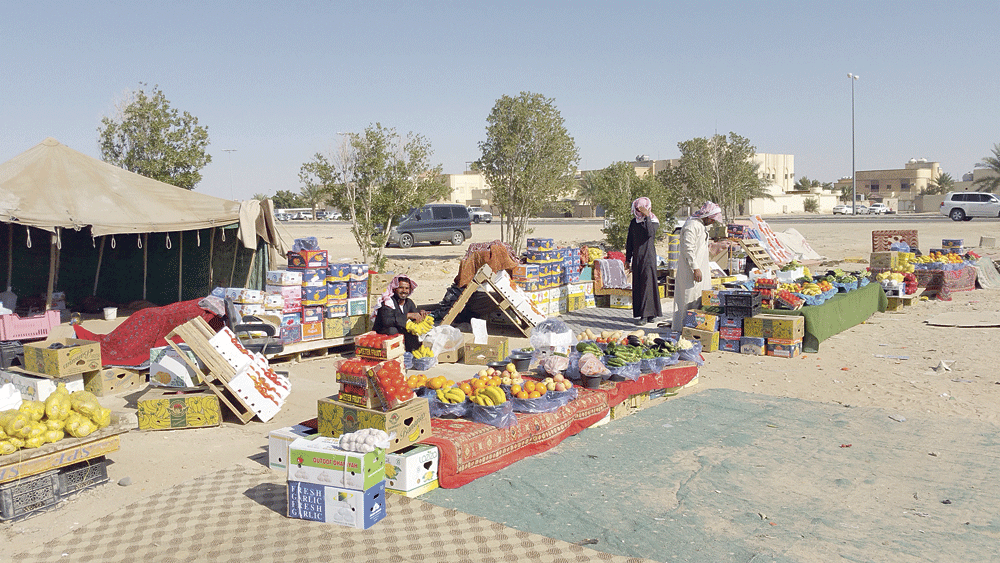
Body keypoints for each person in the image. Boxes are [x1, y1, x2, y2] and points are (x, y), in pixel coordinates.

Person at [672, 201, 722, 331]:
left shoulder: (700, 225)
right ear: (706, 216)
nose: (712, 222)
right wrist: (695, 268)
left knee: (697, 300)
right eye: (712, 219)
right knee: (688, 300)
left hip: (699, 270)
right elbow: (688, 249)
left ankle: (693, 328)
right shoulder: (692, 226)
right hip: (691, 272)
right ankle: (683, 329)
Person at [625, 196, 662, 325]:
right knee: (639, 285)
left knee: (648, 285)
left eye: (642, 210)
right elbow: (629, 241)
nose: (639, 212)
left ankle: (647, 315)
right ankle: (644, 313)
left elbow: (649, 233)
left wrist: (647, 217)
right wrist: (627, 259)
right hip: (637, 258)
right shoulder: (633, 222)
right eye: (638, 210)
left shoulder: (653, 221)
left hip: (648, 257)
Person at [371, 275, 427, 352]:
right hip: (383, 336)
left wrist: (420, 314)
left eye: (407, 288)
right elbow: (387, 321)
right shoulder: (388, 303)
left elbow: (415, 316)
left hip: (401, 335)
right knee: (392, 330)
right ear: (394, 289)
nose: (404, 291)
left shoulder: (409, 303)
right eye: (401, 287)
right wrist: (407, 316)